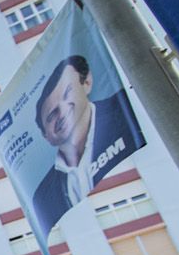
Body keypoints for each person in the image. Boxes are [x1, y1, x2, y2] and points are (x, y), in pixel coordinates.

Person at [30, 54, 145, 230]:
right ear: (46, 136)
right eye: (52, 115)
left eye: (68, 93)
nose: (62, 112)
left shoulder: (126, 113)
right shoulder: (43, 197)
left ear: (87, 83)